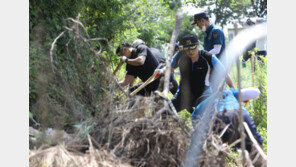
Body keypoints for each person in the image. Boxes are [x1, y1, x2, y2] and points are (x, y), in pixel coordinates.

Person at [170, 34, 235, 113]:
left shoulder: (208, 57)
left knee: (206, 118)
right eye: (187, 48)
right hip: (183, 95)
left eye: (193, 47)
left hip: (204, 96)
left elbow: (224, 73)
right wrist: (161, 71)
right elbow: (169, 69)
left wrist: (233, 89)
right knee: (165, 111)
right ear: (183, 48)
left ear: (198, 45)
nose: (190, 51)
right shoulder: (179, 56)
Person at [191, 87, 264, 154]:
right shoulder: (228, 92)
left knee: (209, 151)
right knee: (257, 152)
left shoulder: (199, 106)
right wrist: (241, 97)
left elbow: (197, 126)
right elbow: (255, 92)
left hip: (218, 118)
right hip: (242, 115)